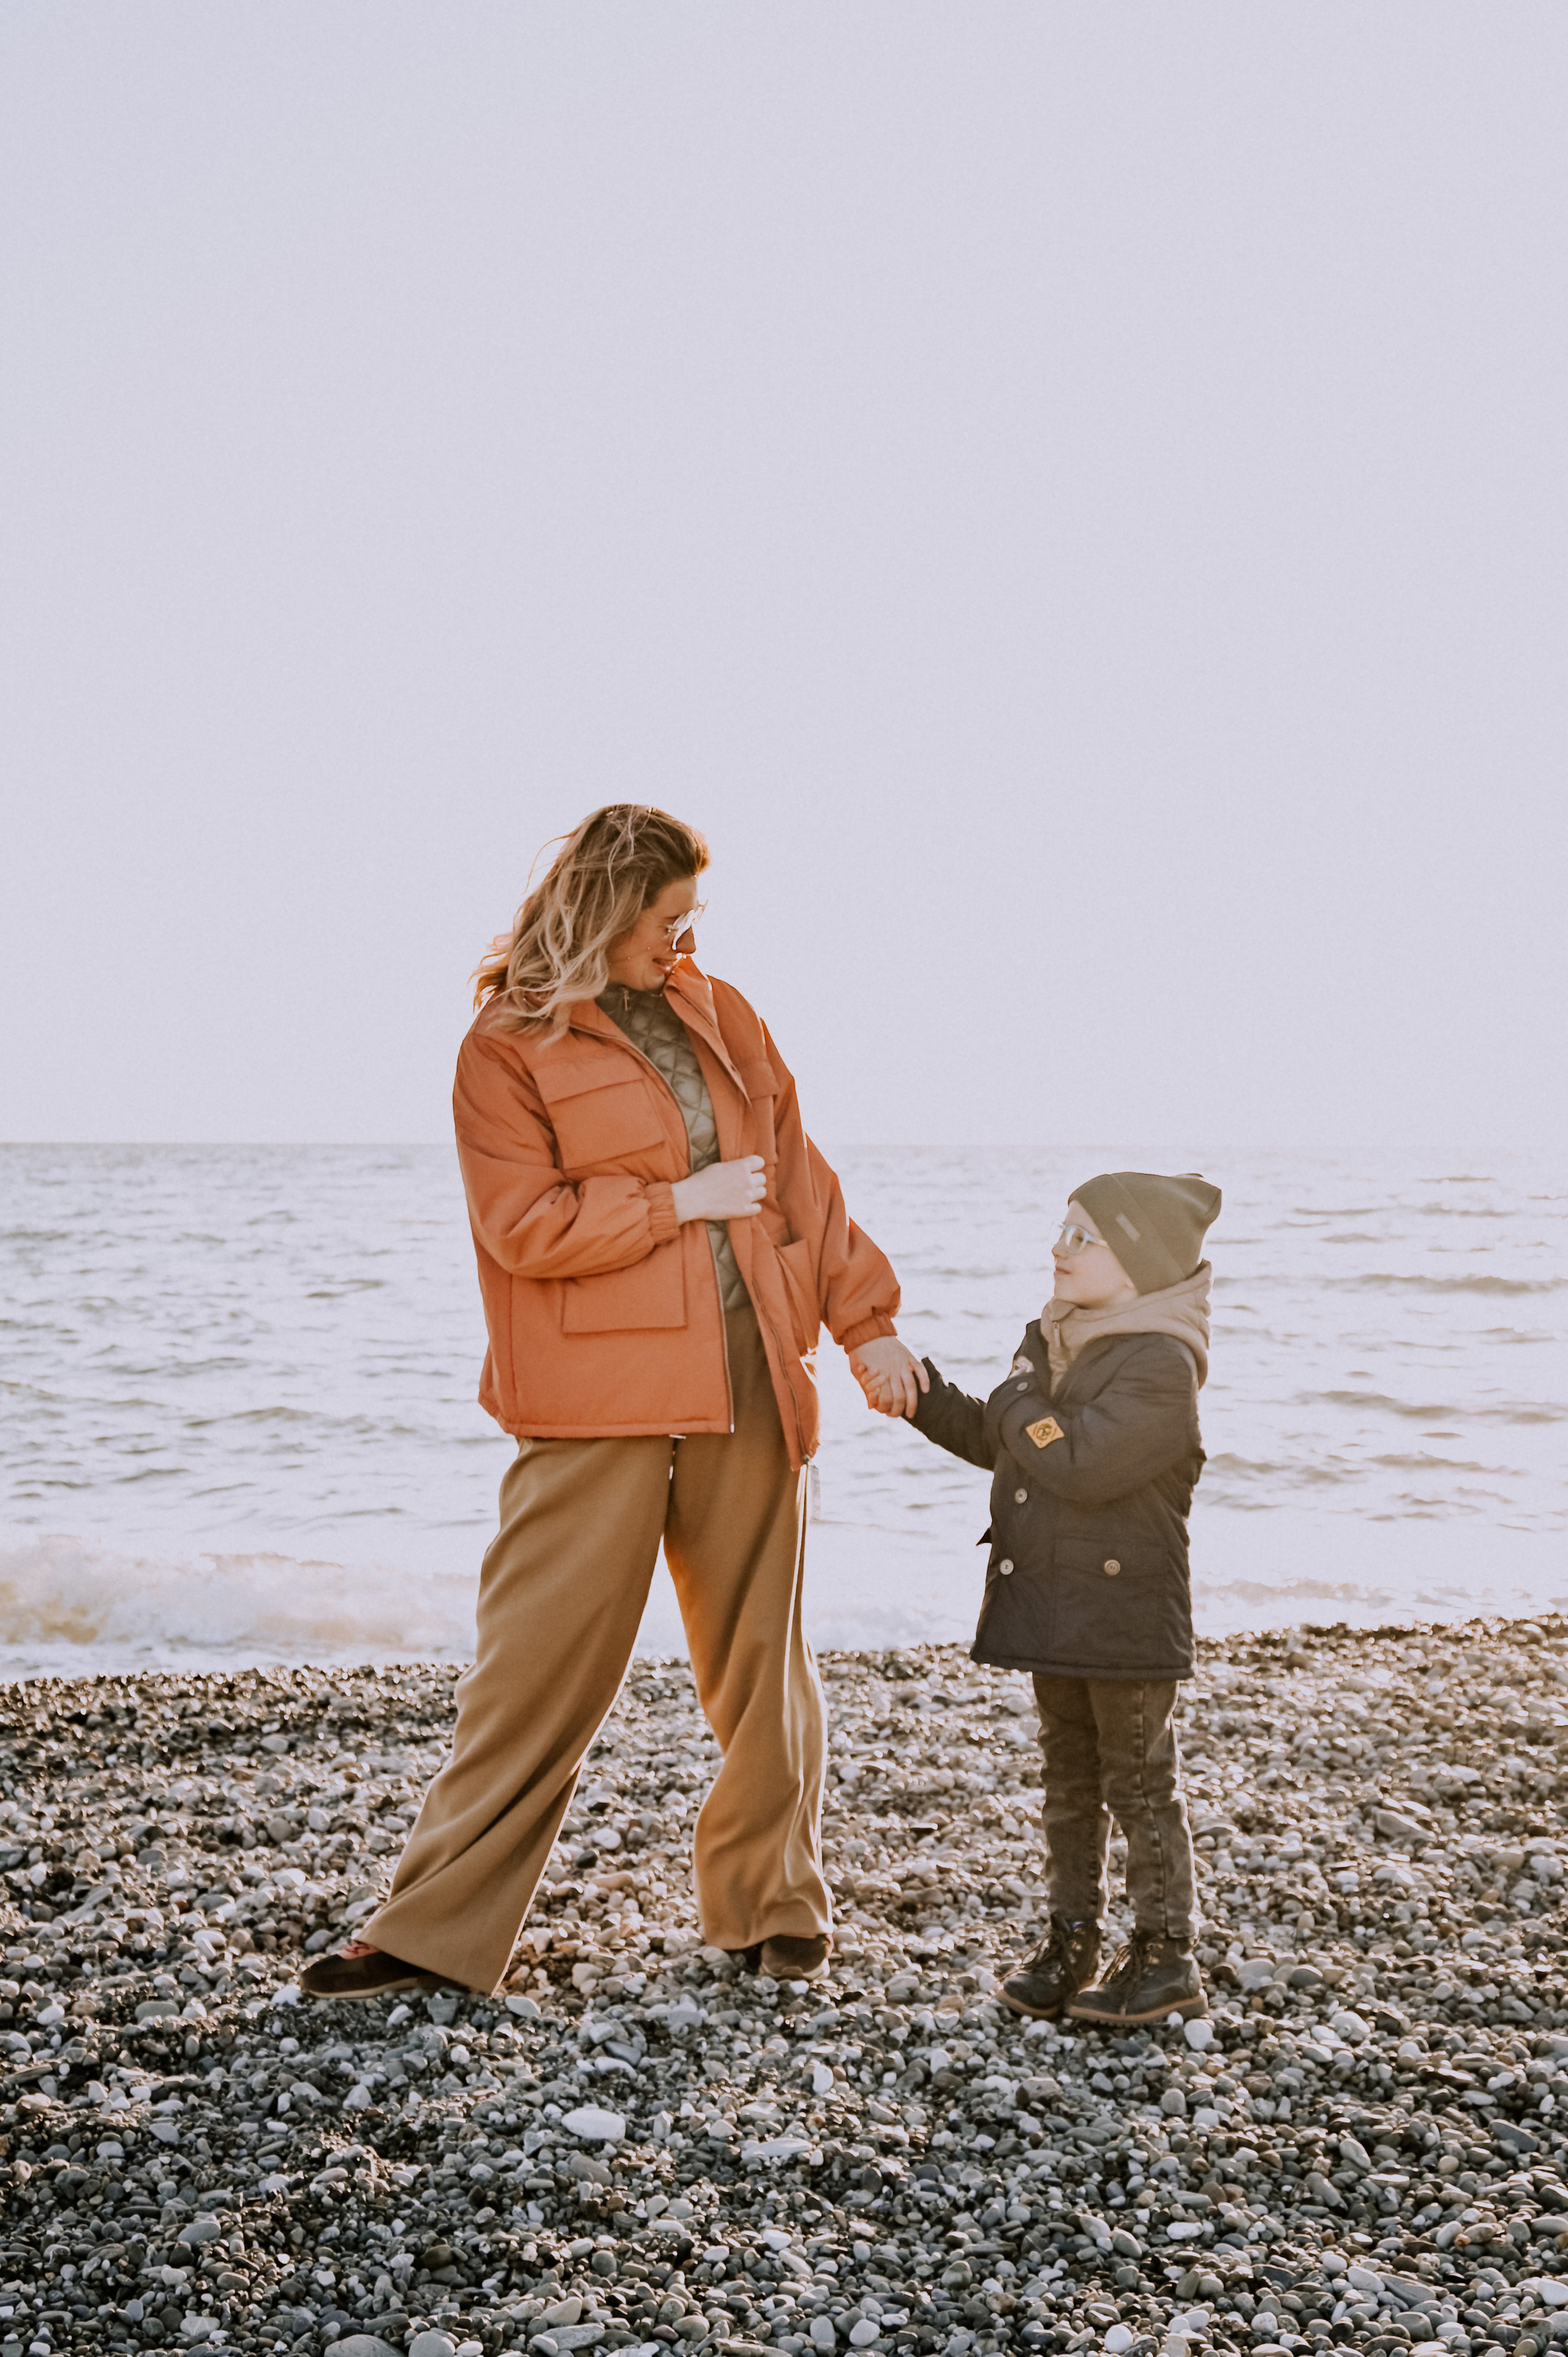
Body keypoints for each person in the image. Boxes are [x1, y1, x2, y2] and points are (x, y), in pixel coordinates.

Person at [302, 804, 925, 2002]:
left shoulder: (724, 1013)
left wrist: (867, 1322)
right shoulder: (504, 1047)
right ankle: (432, 1931)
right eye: (665, 922)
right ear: (603, 909)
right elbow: (521, 1228)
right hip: (593, 1395)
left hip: (750, 1370)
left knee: (762, 1661)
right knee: (533, 1668)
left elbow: (798, 1181)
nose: (682, 947)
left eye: (693, 922)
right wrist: (677, 1204)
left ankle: (770, 1907)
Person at [863, 1170, 1219, 2026]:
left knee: (1138, 1784)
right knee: (1069, 1781)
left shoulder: (1161, 1362)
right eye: (1062, 1230)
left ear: (1136, 1262)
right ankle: (1073, 1937)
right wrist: (922, 1396)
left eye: (1083, 1237)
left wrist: (1019, 1393)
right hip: (1056, 1608)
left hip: (1126, 1618)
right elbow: (1011, 1443)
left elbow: (1078, 1460)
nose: (1058, 1250)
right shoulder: (1060, 1340)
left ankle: (1167, 1953)